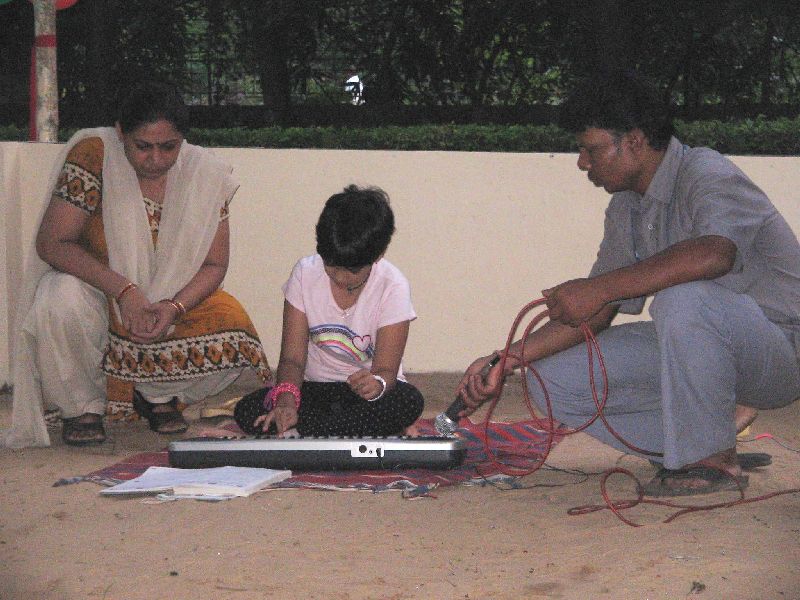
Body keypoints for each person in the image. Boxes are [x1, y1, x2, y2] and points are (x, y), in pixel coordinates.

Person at [457, 69, 800, 496]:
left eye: (591, 149)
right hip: (696, 340)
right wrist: (505, 359)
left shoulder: (708, 172)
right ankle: (696, 443)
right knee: (551, 379)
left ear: (634, 141)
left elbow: (715, 254)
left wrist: (599, 288)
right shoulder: (626, 205)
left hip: (780, 353)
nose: (582, 162)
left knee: (682, 299)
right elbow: (596, 311)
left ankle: (710, 458)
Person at [1, 81, 271, 448]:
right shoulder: (94, 155)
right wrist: (125, 291)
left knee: (233, 325)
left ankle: (156, 395)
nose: (156, 159)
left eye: (169, 147)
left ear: (183, 140)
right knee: (58, 297)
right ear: (120, 133)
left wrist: (173, 307)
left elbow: (214, 265)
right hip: (99, 293)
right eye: (143, 147)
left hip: (166, 303)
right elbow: (52, 243)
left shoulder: (203, 173)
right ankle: (82, 407)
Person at [234, 185, 424, 437]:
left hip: (364, 398)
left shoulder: (393, 285)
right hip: (314, 389)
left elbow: (386, 371)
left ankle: (303, 432)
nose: (340, 277)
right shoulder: (304, 273)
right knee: (247, 410)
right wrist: (287, 401)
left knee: (409, 401)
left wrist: (377, 385)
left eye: (352, 271)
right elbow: (292, 359)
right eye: (332, 266)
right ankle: (328, 430)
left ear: (378, 255)